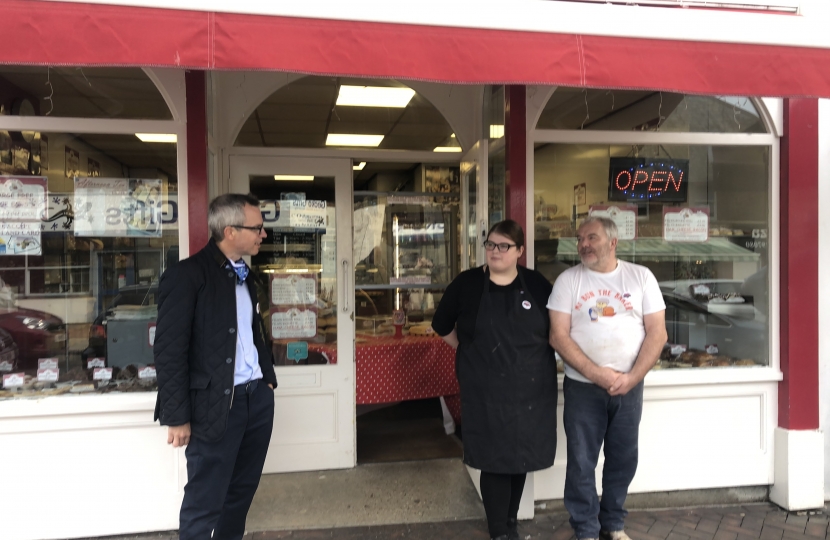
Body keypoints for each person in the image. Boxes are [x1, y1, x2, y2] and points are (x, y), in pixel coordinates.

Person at [154, 193, 278, 540]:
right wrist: (177, 415)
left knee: (240, 496)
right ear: (229, 231)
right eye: (257, 228)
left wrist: (267, 379)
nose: (262, 235)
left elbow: (254, 332)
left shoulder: (245, 276)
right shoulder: (187, 276)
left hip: (256, 401)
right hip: (215, 405)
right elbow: (169, 350)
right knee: (205, 501)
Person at [432, 219, 558, 540]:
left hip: (530, 388)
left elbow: (557, 329)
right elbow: (442, 323)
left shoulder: (538, 285)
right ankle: (498, 530)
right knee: (493, 458)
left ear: (519, 251)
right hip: (484, 388)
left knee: (520, 456)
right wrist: (465, 347)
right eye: (490, 245)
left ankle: (511, 521)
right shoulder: (468, 284)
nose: (495, 251)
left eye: (503, 246)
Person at [547, 216, 667, 540]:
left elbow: (657, 334)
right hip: (584, 387)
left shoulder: (640, 277)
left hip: (629, 387)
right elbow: (558, 336)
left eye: (592, 238)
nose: (583, 244)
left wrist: (632, 377)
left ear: (613, 242)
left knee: (623, 457)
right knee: (582, 461)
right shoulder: (568, 281)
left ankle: (613, 524)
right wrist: (597, 373)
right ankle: (586, 529)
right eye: (580, 238)